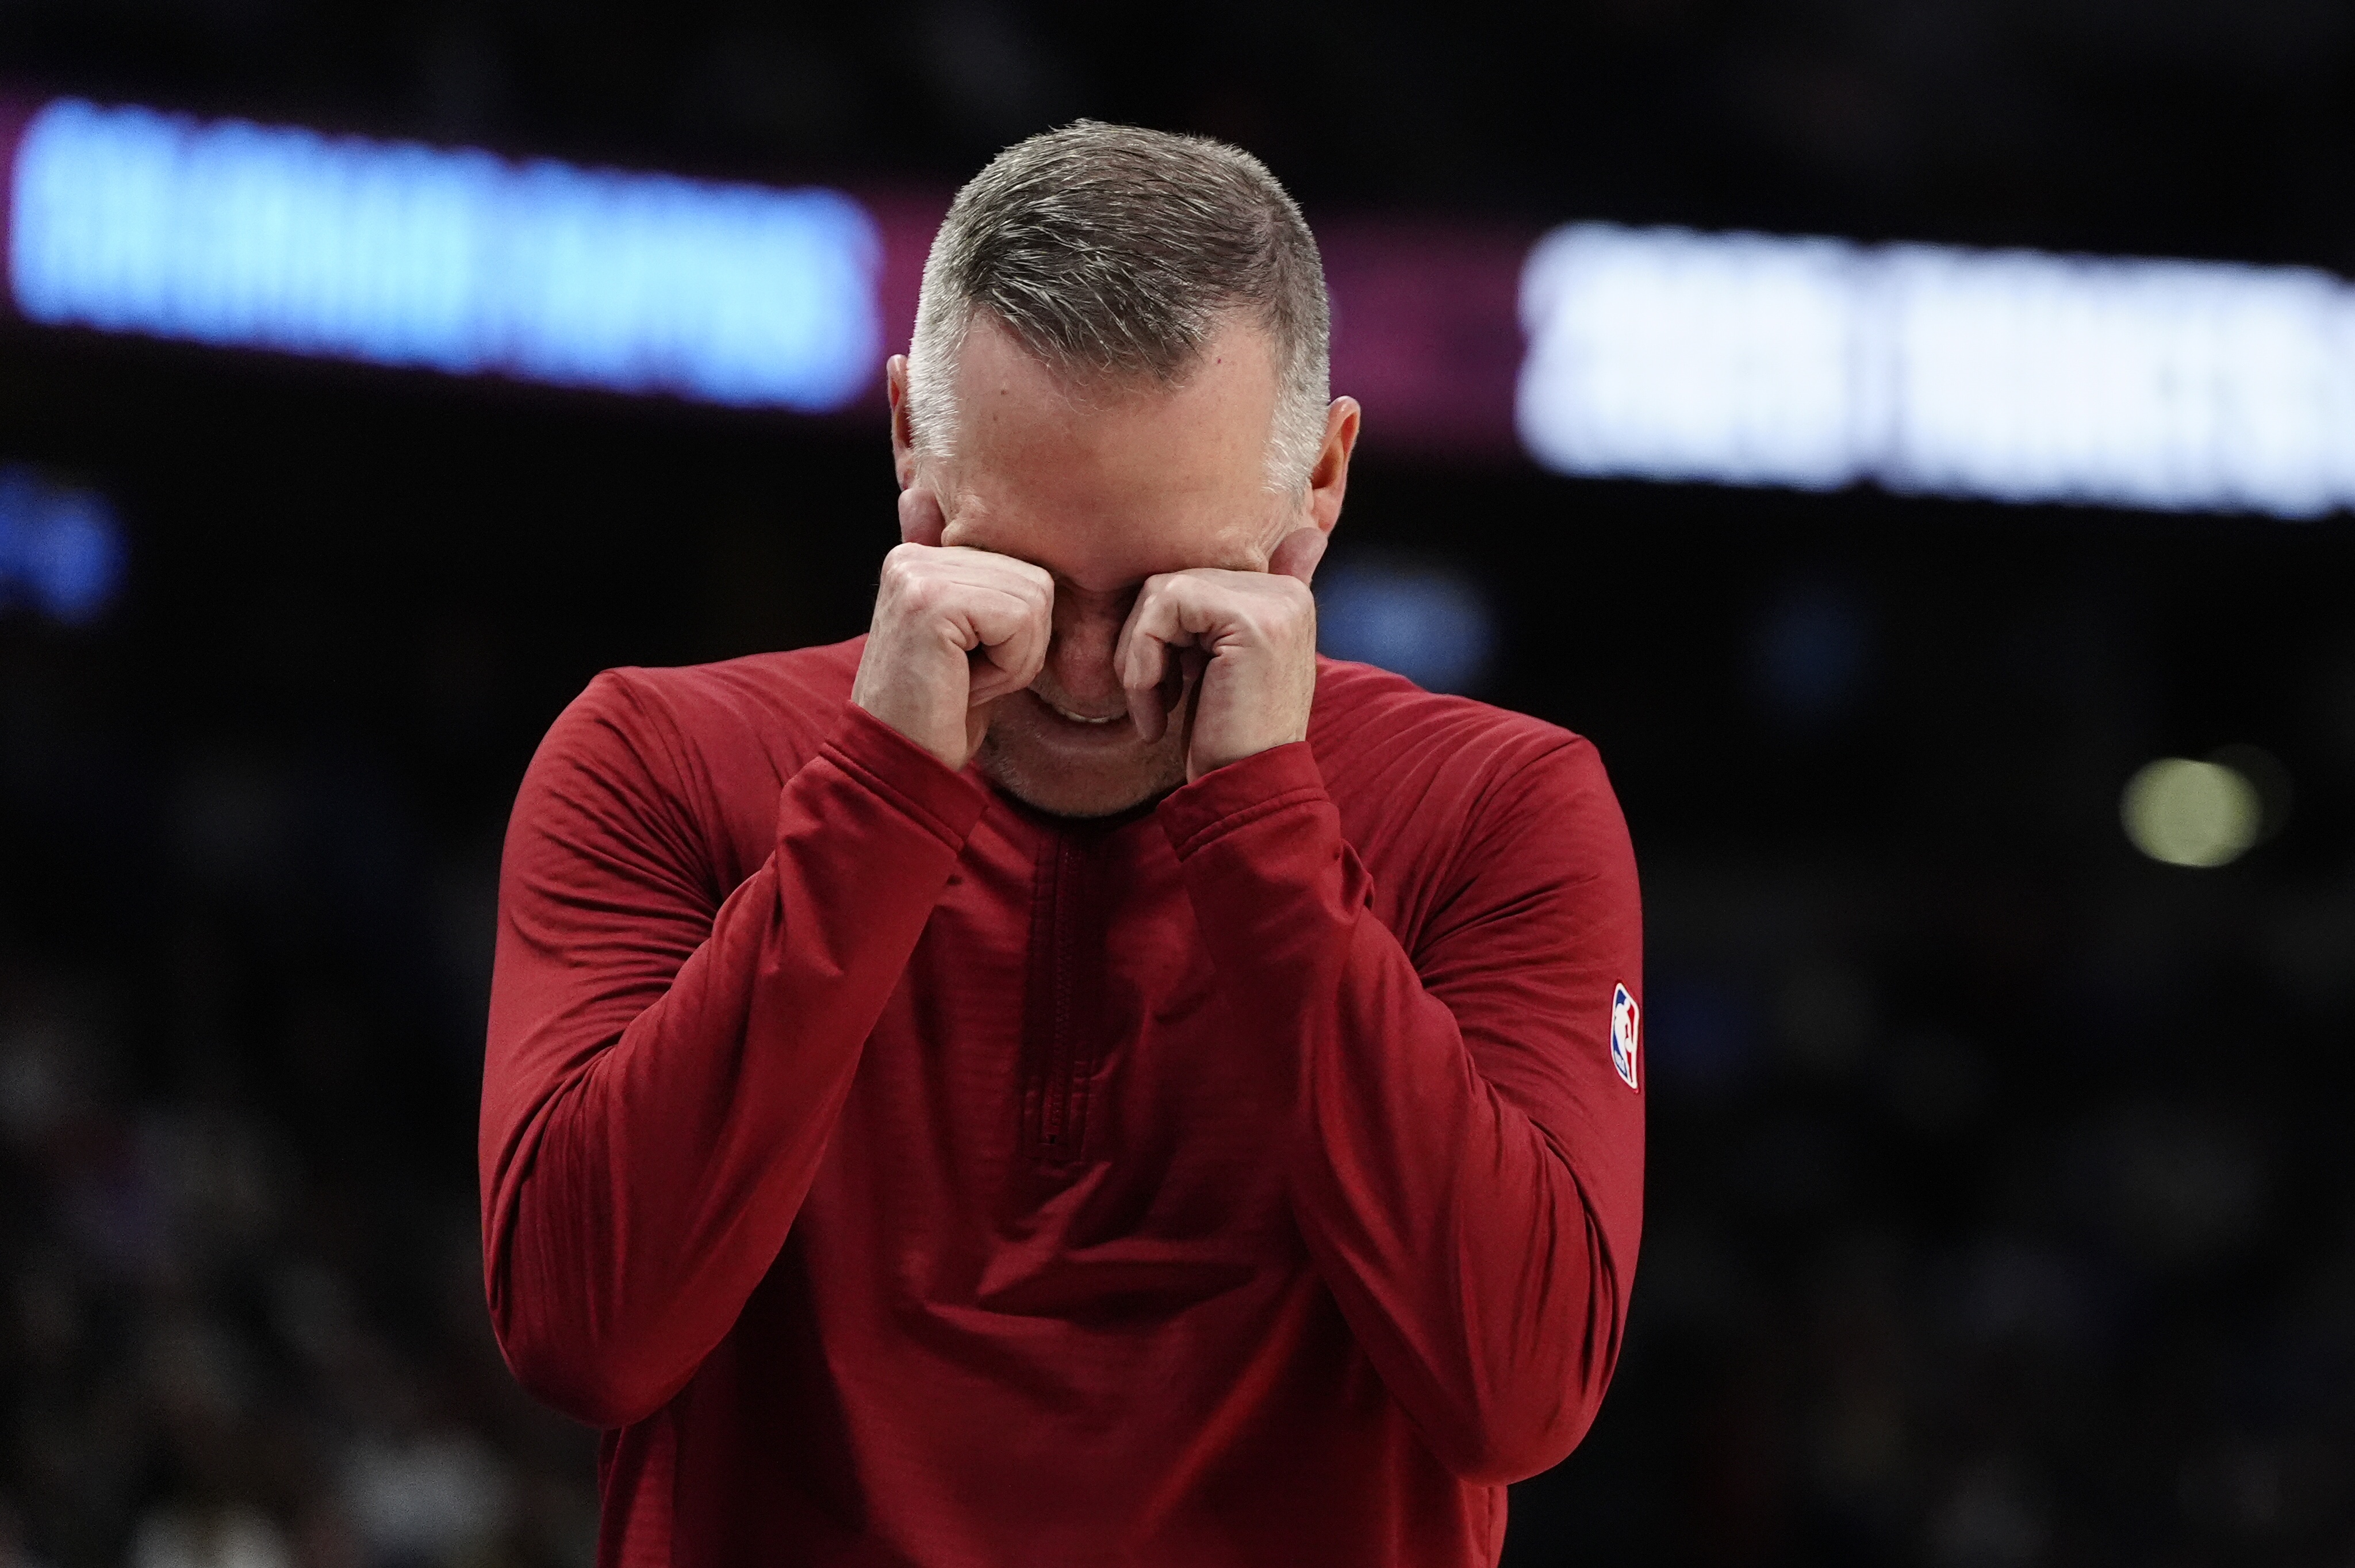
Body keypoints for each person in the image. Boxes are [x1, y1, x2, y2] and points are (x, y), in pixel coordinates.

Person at [479, 121, 1644, 1567]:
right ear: (908, 433)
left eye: (1169, 586)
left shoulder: (1498, 807)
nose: (1086, 672)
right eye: (1015, 571)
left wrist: (1266, 828)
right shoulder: (656, 762)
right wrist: (879, 798)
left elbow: (1516, 1393)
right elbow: (583, 1335)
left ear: (1321, 477)